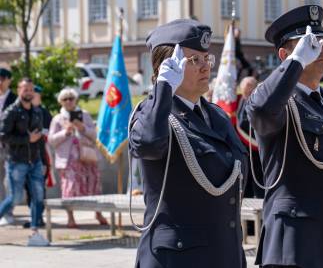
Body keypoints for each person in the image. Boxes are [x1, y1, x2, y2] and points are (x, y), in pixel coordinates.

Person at [129, 19, 248, 268]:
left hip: (223, 253)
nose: (206, 67)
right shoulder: (151, 115)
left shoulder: (216, 115)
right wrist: (164, 90)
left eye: (207, 59)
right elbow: (149, 144)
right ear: (168, 66)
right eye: (194, 60)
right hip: (178, 259)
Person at [246, 5, 323, 268]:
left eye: (321, 41)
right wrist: (296, 63)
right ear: (285, 55)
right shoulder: (278, 102)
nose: (320, 47)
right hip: (294, 246)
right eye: (308, 43)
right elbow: (260, 109)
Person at [48, 88, 107, 228]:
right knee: (70, 189)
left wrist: (83, 128)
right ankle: (71, 218)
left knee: (93, 185)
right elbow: (51, 140)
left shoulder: (85, 115)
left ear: (75, 100)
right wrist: (65, 132)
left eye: (71, 98)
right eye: (65, 99)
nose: (68, 101)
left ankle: (98, 213)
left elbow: (95, 135)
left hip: (87, 157)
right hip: (68, 160)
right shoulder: (57, 119)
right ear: (60, 102)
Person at [0, 78, 49, 246]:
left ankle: (34, 233)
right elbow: (3, 136)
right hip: (16, 161)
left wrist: (43, 161)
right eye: (25, 89)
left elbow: (40, 138)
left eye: (31, 90)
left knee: (38, 196)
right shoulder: (11, 112)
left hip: (34, 161)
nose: (28, 92)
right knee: (15, 198)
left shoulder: (37, 111)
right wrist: (26, 139)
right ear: (19, 90)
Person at [23, 85, 53, 228]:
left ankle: (39, 217)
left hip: (41, 155)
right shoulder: (25, 111)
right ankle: (34, 216)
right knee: (28, 189)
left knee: (39, 188)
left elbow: (49, 133)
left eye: (35, 94)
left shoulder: (44, 113)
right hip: (24, 155)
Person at [236, 76, 263, 199]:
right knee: (244, 180)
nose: (247, 90)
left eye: (250, 87)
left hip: (257, 148)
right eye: (245, 88)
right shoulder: (237, 101)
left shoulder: (260, 101)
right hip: (242, 149)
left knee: (259, 180)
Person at [0, 68, 17, 225]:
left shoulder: (14, 99)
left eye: (2, 79)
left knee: (8, 180)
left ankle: (7, 213)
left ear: (8, 80)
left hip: (10, 145)